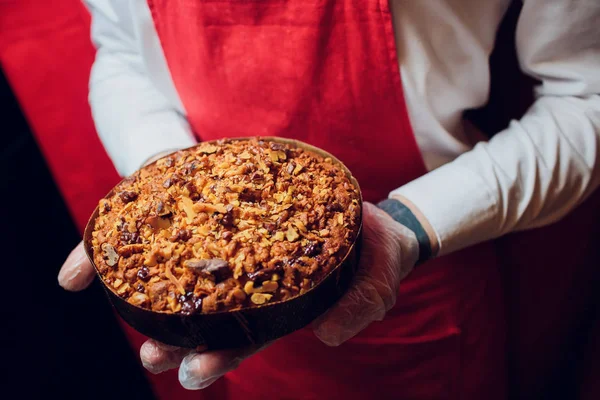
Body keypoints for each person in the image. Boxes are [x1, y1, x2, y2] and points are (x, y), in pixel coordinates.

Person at [57, 0, 600, 398]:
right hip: (228, 320)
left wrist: (409, 224)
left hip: (424, 298)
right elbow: (123, 50)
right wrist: (169, 187)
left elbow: (586, 95)